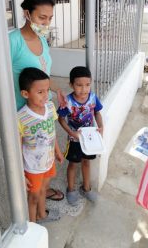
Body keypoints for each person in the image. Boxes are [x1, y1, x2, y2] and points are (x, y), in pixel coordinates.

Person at [9, 0, 64, 200]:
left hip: (43, 108)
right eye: (42, 17)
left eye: (50, 18)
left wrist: (56, 90)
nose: (47, 23)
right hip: (23, 113)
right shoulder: (12, 41)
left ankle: (42, 188)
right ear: (27, 14)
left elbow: (44, 74)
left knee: (44, 150)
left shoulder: (42, 39)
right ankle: (31, 198)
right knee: (28, 157)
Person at [18, 67, 64, 222]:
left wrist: (57, 151)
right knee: (33, 198)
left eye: (47, 90)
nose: (46, 95)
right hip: (32, 168)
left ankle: (42, 215)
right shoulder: (21, 118)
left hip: (48, 161)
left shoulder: (50, 107)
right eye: (40, 92)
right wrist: (20, 174)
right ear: (25, 94)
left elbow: (52, 133)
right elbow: (17, 148)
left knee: (44, 189)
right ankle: (32, 226)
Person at [57, 66, 104, 205]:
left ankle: (86, 188)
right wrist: (71, 133)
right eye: (79, 85)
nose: (84, 89)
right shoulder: (68, 102)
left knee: (86, 162)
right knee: (73, 164)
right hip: (74, 140)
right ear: (71, 84)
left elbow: (97, 113)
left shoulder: (93, 97)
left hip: (90, 139)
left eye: (87, 85)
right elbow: (61, 119)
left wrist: (101, 127)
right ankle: (71, 189)